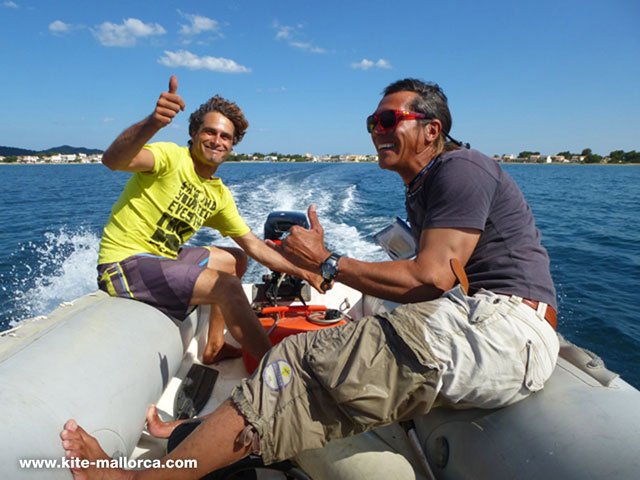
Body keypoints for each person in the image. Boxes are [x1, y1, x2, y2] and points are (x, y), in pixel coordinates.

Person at [61, 78, 560, 479]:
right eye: (372, 122)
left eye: (389, 120)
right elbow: (116, 160)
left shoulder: (460, 168)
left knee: (297, 358)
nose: (376, 130)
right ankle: (207, 417)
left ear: (431, 129)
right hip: (477, 321)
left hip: (501, 328)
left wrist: (325, 265)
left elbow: (426, 277)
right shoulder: (430, 185)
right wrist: (316, 267)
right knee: (317, 342)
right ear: (192, 135)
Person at [95, 75, 321, 364]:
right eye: (210, 132)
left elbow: (254, 245)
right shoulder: (170, 157)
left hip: (162, 259)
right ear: (193, 133)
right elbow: (113, 161)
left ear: (232, 145)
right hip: (123, 263)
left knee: (235, 260)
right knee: (226, 287)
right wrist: (153, 122)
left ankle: (214, 346)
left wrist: (308, 273)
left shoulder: (217, 194)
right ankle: (277, 373)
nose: (217, 141)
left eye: (225, 137)